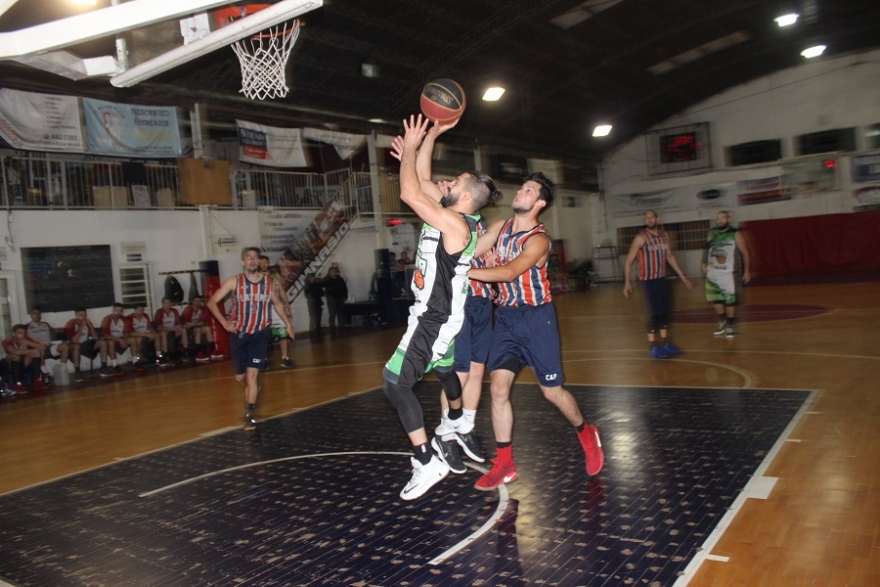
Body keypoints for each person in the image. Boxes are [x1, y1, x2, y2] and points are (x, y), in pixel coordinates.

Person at [383, 114, 502, 500]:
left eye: (453, 183)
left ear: (465, 197)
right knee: (446, 369)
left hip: (433, 319)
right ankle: (453, 422)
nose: (444, 183)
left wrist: (412, 148)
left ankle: (424, 459)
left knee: (395, 384)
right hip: (444, 316)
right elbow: (420, 179)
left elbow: (408, 192)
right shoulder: (455, 214)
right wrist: (429, 136)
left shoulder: (456, 225)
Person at [467, 172, 604, 491]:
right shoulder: (501, 226)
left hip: (536, 320)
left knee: (551, 392)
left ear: (539, 203)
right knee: (498, 390)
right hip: (505, 319)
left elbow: (510, 271)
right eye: (521, 187)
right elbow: (471, 250)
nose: (520, 192)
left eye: (528, 190)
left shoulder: (539, 240)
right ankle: (505, 465)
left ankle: (586, 432)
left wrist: (464, 274)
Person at [206, 246, 294, 430]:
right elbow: (212, 302)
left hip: (260, 335)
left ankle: (249, 414)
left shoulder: (268, 283)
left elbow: (277, 303)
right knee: (241, 377)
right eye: (249, 257)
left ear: (259, 261)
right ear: (243, 262)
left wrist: (288, 324)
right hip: (239, 334)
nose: (253, 260)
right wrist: (224, 322)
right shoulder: (234, 282)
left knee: (253, 374)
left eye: (255, 257)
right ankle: (250, 389)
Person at [434, 209, 493, 472]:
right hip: (460, 302)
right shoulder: (448, 222)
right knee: (461, 373)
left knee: (478, 370)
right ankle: (445, 434)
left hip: (483, 300)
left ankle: (465, 427)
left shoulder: (482, 225)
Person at [622, 210, 693, 359]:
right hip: (647, 280)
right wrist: (627, 282)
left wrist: (682, 276)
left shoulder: (664, 236)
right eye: (646, 217)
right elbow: (629, 260)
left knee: (664, 312)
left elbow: (670, 256)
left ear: (657, 219)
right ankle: (653, 347)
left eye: (651, 217)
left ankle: (666, 343)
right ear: (644, 220)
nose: (649, 219)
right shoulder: (641, 238)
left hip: (661, 278)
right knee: (654, 313)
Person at [702, 210, 751, 339]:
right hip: (712, 272)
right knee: (715, 299)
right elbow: (707, 249)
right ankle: (723, 322)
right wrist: (703, 263)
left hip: (729, 272)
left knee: (730, 300)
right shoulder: (712, 233)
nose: (720, 220)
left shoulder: (735, 233)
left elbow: (745, 252)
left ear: (728, 219)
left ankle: (730, 325)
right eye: (718, 218)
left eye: (723, 218)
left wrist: (746, 270)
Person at [260, 256, 295, 370]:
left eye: (266, 262)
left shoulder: (275, 276)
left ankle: (285, 358)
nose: (264, 264)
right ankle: (263, 360)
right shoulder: (255, 277)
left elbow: (281, 291)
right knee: (263, 336)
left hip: (276, 308)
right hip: (263, 309)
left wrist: (287, 305)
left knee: (283, 332)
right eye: (262, 262)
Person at [26, 306, 71, 382]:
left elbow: (54, 330)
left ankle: (61, 370)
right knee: (40, 351)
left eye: (38, 313)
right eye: (34, 313)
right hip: (37, 349)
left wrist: (64, 330)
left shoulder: (45, 324)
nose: (37, 315)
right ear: (30, 315)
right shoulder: (27, 326)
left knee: (64, 347)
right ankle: (44, 373)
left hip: (49, 347)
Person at [64, 308, 107, 383]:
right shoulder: (71, 323)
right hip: (72, 345)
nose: (83, 317)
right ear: (76, 315)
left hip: (85, 344)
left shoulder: (87, 323)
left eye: (85, 315)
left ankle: (103, 367)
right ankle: (77, 371)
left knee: (102, 342)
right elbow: (74, 340)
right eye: (81, 315)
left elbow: (95, 337)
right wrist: (81, 326)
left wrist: (90, 326)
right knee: (76, 346)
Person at [2, 324, 48, 393]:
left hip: (25, 363)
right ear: (14, 333)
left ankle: (37, 381)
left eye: (24, 333)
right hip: (11, 366)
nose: (22, 335)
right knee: (15, 356)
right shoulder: (8, 341)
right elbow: (15, 351)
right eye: (19, 333)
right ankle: (17, 384)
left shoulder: (26, 339)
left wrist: (27, 342)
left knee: (36, 354)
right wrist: (32, 351)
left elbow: (43, 347)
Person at [100, 303, 137, 376]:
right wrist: (119, 340)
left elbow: (127, 332)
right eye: (116, 310)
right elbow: (106, 335)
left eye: (120, 311)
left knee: (133, 340)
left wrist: (124, 339)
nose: (118, 312)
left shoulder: (125, 319)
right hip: (111, 338)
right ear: (113, 310)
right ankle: (115, 365)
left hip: (121, 338)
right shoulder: (107, 319)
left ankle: (135, 362)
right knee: (111, 343)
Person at [154, 297, 189, 364]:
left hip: (173, 331)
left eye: (169, 302)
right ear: (163, 304)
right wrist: (172, 328)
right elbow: (159, 327)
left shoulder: (174, 311)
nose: (168, 304)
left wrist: (178, 326)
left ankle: (185, 351)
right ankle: (166, 354)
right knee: (164, 333)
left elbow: (179, 322)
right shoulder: (159, 312)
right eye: (166, 303)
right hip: (164, 331)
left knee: (183, 330)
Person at [182, 295, 215, 362]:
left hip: (196, 326)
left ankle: (212, 350)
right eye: (196, 301)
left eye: (199, 301)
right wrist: (196, 324)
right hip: (189, 330)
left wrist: (194, 324)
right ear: (192, 302)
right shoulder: (188, 309)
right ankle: (198, 353)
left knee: (207, 328)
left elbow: (204, 322)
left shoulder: (202, 309)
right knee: (198, 330)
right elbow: (187, 324)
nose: (198, 302)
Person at [323, 265, 348, 333]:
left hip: (340, 298)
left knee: (341, 313)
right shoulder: (327, 280)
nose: (334, 273)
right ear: (330, 272)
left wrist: (345, 296)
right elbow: (320, 285)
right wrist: (324, 293)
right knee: (332, 313)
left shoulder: (340, 279)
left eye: (335, 271)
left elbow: (345, 288)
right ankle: (332, 328)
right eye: (332, 271)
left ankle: (342, 327)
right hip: (332, 298)